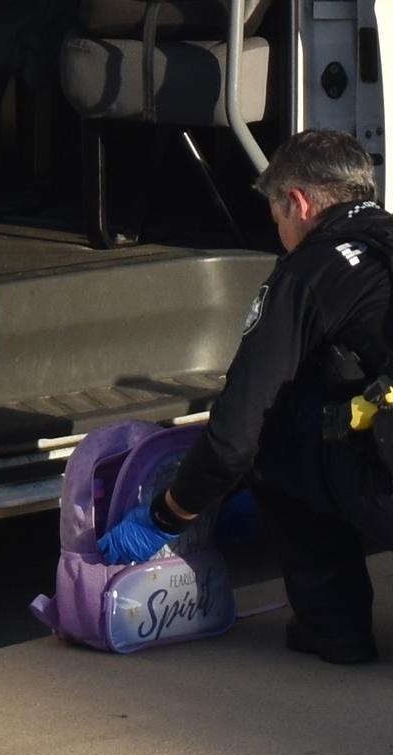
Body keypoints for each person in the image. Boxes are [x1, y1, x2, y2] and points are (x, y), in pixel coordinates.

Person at [97, 129, 393, 664]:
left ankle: (335, 627)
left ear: (298, 203)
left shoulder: (309, 272)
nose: (278, 229)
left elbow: (236, 433)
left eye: (277, 215)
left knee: (276, 438)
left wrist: (170, 513)